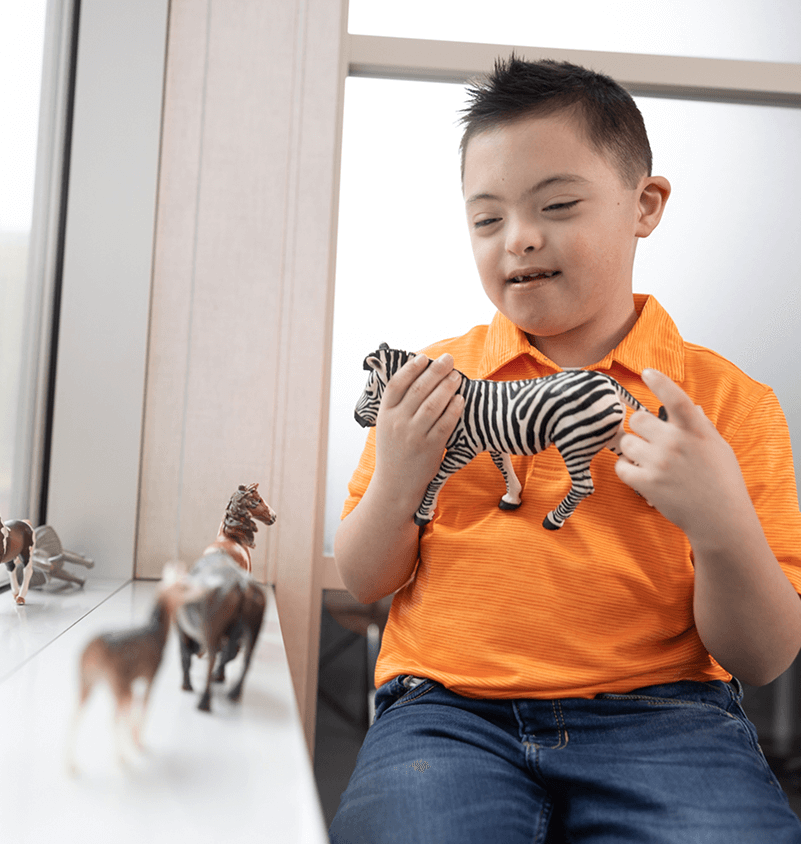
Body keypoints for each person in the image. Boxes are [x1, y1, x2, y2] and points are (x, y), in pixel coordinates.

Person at [328, 57, 801, 843]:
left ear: (645, 205)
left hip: (666, 719)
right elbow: (367, 578)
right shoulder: (433, 382)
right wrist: (401, 476)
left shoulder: (727, 403)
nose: (519, 238)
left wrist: (720, 526)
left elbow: (763, 657)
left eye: (558, 204)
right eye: (487, 219)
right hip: (447, 714)